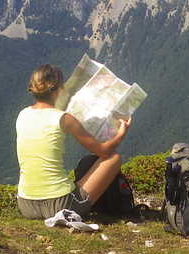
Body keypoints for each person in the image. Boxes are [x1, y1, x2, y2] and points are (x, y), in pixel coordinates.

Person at [15, 63, 130, 220]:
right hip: (60, 205)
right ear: (59, 89)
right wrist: (121, 134)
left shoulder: (22, 115)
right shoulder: (64, 118)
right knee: (113, 158)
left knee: (87, 162)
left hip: (26, 205)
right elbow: (103, 151)